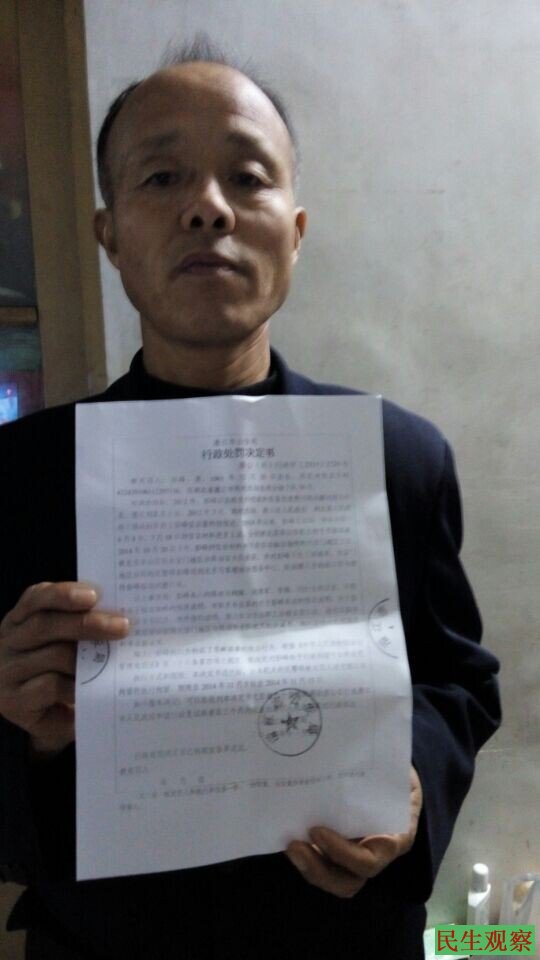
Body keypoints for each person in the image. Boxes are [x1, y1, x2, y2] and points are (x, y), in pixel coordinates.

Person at [0, 37, 500, 960]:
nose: (208, 208)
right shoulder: (21, 475)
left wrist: (413, 788)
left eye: (247, 177)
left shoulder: (399, 458)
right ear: (109, 236)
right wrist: (23, 728)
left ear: (295, 232)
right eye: (162, 178)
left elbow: (457, 681)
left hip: (347, 940)